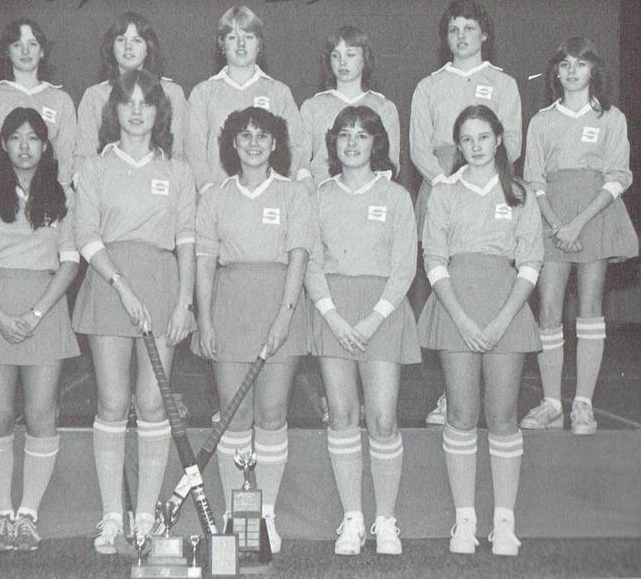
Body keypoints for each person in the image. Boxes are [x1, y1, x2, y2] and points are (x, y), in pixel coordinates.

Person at [72, 69, 196, 553]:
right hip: (110, 285)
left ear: (159, 111)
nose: (138, 111)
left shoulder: (177, 171)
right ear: (116, 110)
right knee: (111, 402)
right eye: (129, 102)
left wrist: (184, 302)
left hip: (162, 284)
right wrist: (121, 287)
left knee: (152, 403)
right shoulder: (96, 168)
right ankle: (111, 517)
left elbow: (187, 240)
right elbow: (86, 235)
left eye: (147, 102)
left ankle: (146, 516)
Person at [417, 105, 542, 557]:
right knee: (461, 413)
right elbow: (434, 258)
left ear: (499, 140)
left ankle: (504, 522)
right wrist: (463, 320)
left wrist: (504, 318)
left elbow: (530, 261)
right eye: (467, 139)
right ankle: (465, 519)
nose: (475, 147)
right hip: (457, 309)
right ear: (458, 144)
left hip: (506, 308)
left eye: (483, 137)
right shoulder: (444, 192)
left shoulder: (520, 193)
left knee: (503, 415)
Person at [193, 106, 313, 554]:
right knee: (234, 414)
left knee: (272, 413)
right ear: (233, 144)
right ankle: (237, 512)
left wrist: (284, 315)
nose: (254, 144)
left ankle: (265, 514)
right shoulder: (215, 196)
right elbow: (205, 262)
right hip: (229, 306)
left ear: (275, 144)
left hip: (278, 304)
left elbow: (299, 258)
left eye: (262, 136)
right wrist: (205, 319)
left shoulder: (293, 194)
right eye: (245, 136)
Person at [0, 107, 80, 552]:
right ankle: (1, 514)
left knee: (41, 413)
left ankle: (28, 514)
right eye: (15, 138)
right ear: (4, 145)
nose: (24, 146)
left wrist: (35, 313)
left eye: (33, 138)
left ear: (45, 147)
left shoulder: (62, 196)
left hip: (44, 309)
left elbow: (70, 262)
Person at [305, 106, 419, 556]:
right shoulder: (319, 196)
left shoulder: (396, 197)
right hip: (333, 312)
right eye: (344, 135)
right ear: (333, 144)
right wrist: (332, 316)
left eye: (361, 136)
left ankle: (385, 519)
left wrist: (374, 318)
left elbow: (405, 266)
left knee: (383, 419)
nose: (352, 143)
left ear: (376, 144)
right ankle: (352, 518)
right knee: (342, 414)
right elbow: (311, 262)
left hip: (382, 313)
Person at [410, 0, 522, 426]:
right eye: (454, 29)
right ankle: (450, 391)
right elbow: (418, 146)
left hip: (488, 189)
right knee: (442, 285)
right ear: (446, 37)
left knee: (484, 279)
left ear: (484, 34)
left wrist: (480, 183)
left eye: (469, 28)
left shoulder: (503, 83)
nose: (461, 36)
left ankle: (489, 387)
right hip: (441, 186)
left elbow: (512, 141)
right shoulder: (429, 85)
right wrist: (447, 184)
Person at [519, 37, 638, 435]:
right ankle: (552, 403)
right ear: (555, 71)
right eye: (565, 64)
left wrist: (578, 223)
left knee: (589, 307)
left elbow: (618, 176)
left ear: (593, 71)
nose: (572, 71)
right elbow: (533, 179)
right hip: (551, 220)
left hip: (594, 217)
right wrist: (556, 223)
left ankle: (583, 404)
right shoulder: (541, 121)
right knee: (549, 308)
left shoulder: (611, 118)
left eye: (580, 64)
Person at [186, 5, 310, 195]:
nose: (241, 44)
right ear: (221, 44)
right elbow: (193, 151)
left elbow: (296, 146)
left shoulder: (279, 92)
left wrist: (283, 187)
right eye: (232, 37)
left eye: (249, 37)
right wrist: (207, 189)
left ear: (259, 44)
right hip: (218, 197)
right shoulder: (203, 93)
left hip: (270, 197)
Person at [75, 12, 188, 173]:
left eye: (137, 40)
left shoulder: (172, 93)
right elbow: (84, 157)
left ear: (148, 48)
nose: (128, 46)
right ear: (111, 47)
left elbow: (178, 155)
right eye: (121, 40)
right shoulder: (94, 96)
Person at [0, 19, 76, 186]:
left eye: (32, 44)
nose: (25, 51)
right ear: (7, 52)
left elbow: (66, 158)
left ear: (42, 51)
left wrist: (58, 193)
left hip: (48, 192)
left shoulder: (61, 100)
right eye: (17, 45)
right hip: (2, 191)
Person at [300, 26, 400, 185]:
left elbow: (391, 164)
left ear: (365, 58)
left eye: (350, 54)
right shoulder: (312, 106)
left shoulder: (384, 107)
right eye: (335, 56)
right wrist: (313, 193)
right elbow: (300, 163)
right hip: (321, 193)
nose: (342, 62)